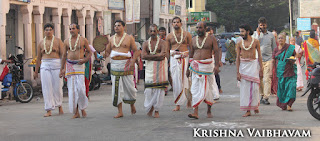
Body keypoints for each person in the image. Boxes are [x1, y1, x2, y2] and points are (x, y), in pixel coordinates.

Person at [105, 20, 140, 118]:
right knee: (116, 88)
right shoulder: (111, 39)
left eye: (118, 25)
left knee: (130, 87)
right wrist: (104, 51)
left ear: (123, 27)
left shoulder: (129, 38)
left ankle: (132, 105)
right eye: (115, 26)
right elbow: (107, 52)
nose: (116, 27)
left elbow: (136, 51)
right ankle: (120, 111)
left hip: (126, 64)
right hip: (115, 64)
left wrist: (133, 61)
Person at [187, 22, 220, 119]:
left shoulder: (211, 38)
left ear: (205, 28)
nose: (198, 29)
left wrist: (217, 65)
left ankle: (209, 110)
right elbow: (191, 55)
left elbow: (217, 51)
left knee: (208, 89)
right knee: (195, 89)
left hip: (207, 66)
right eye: (197, 28)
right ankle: (195, 112)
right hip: (196, 66)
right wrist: (188, 68)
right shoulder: (193, 40)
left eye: (200, 28)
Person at [59, 23, 91, 118]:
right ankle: (76, 112)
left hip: (80, 66)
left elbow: (89, 52)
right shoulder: (66, 41)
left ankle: (82, 108)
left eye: (73, 28)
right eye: (70, 29)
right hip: (70, 65)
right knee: (72, 90)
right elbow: (64, 55)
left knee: (81, 89)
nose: (71, 30)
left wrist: (85, 60)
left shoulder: (83, 40)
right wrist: (62, 69)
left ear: (78, 30)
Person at [33, 23, 64, 117]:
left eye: (50, 29)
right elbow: (38, 58)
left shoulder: (58, 41)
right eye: (46, 30)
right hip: (45, 64)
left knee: (57, 87)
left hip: (56, 64)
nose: (48, 31)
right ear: (44, 31)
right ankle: (48, 109)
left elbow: (63, 56)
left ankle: (59, 105)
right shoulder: (41, 43)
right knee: (46, 88)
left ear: (53, 31)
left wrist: (63, 68)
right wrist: (36, 71)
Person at [166, 17, 192, 111]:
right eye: (174, 22)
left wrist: (191, 61)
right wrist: (167, 62)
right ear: (172, 24)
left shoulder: (187, 34)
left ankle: (189, 99)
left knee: (186, 80)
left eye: (178, 22)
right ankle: (178, 103)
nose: (176, 24)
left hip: (185, 58)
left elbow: (191, 48)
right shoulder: (169, 36)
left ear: (181, 24)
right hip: (174, 59)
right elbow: (167, 50)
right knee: (176, 81)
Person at [141, 24, 168, 118]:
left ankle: (156, 110)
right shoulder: (145, 43)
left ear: (157, 32)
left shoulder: (162, 43)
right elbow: (143, 56)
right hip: (149, 70)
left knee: (159, 90)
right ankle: (150, 108)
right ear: (148, 32)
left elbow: (162, 56)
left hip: (160, 69)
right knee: (148, 91)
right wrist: (156, 56)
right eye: (151, 31)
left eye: (154, 31)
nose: (152, 33)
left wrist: (149, 57)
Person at [236, 24, 263, 117]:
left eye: (242, 31)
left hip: (253, 65)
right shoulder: (239, 43)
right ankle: (248, 110)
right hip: (243, 67)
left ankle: (254, 105)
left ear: (248, 31)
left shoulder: (255, 41)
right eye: (240, 32)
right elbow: (237, 58)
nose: (241, 34)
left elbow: (259, 56)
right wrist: (237, 72)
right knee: (245, 89)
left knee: (255, 88)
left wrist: (261, 69)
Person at [252, 17, 277, 105]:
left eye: (263, 25)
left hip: (269, 59)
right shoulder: (255, 35)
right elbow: (253, 44)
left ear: (266, 25)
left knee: (267, 79)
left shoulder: (271, 35)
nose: (262, 26)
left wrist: (274, 60)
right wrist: (258, 34)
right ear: (258, 25)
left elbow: (274, 48)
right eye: (261, 25)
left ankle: (266, 97)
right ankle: (262, 95)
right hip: (258, 60)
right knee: (260, 79)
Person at [274, 33, 297, 111]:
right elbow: (273, 60)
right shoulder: (276, 49)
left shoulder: (289, 48)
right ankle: (283, 104)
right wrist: (272, 71)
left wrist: (293, 59)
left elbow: (295, 55)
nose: (280, 40)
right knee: (282, 89)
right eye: (279, 38)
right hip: (280, 71)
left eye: (282, 38)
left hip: (290, 70)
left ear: (285, 39)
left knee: (292, 87)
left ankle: (289, 105)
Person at [206, 26, 223, 94]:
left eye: (211, 32)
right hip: (206, 59)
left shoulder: (215, 39)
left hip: (214, 58)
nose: (210, 34)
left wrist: (219, 60)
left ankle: (218, 88)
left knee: (215, 73)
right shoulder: (203, 39)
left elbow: (219, 50)